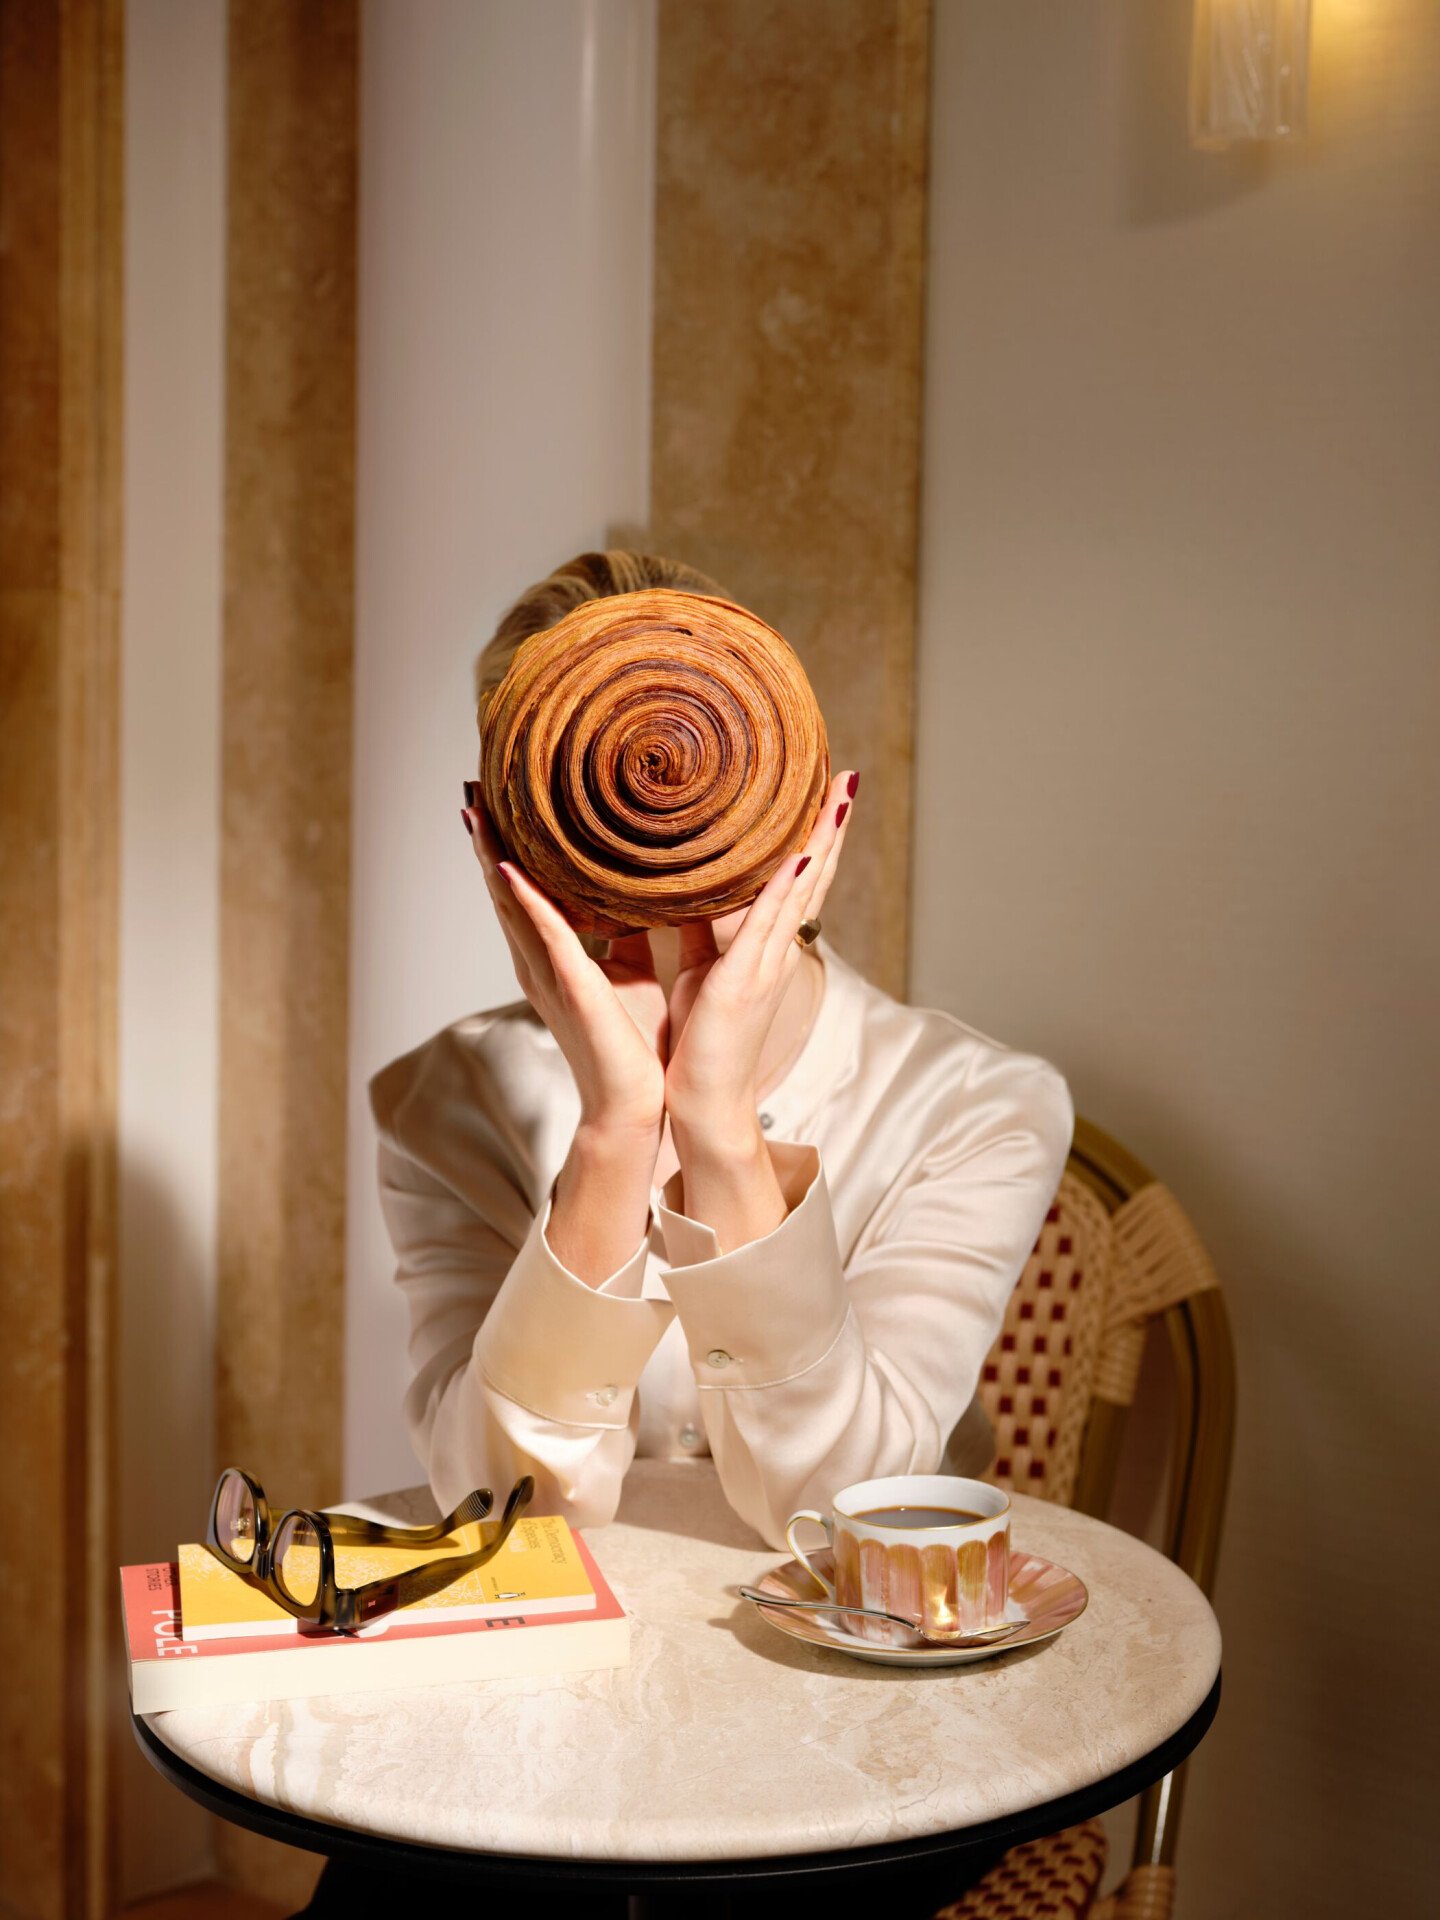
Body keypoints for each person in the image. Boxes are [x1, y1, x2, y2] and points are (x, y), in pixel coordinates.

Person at [368, 551, 1075, 1551]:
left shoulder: (975, 1107)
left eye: (694, 764)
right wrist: (616, 1137)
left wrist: (719, 1131)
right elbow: (504, 1519)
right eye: (588, 800)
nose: (652, 829)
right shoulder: (441, 1105)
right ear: (508, 854)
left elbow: (851, 1521)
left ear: (805, 813)